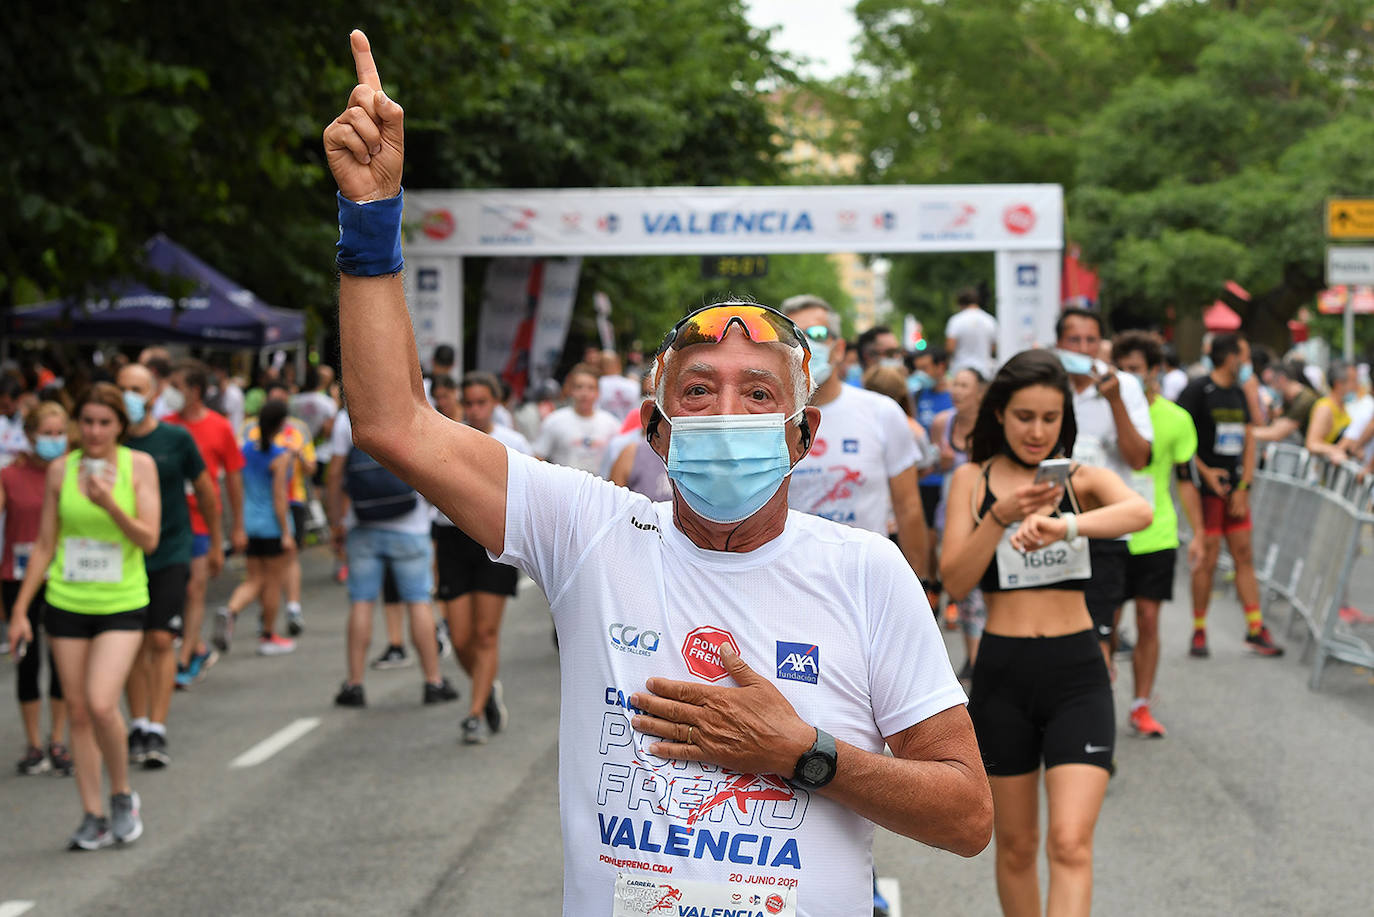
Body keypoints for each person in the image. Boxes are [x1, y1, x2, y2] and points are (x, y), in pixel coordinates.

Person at [324, 36, 992, 912]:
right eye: (700, 392)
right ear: (655, 429)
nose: (727, 414)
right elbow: (391, 422)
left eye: (759, 395)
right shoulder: (592, 532)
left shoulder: (866, 571)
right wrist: (370, 219)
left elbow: (968, 813)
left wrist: (802, 752)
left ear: (801, 436)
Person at [940, 350, 1152, 917]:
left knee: (1070, 843)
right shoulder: (971, 480)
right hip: (1002, 675)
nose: (1037, 431)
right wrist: (1000, 516)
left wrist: (1066, 524)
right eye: (1025, 416)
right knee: (1016, 846)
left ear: (1066, 420)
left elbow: (1140, 512)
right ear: (1000, 415)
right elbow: (956, 581)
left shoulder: (1079, 478)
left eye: (1050, 418)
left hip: (1078, 673)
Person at [6, 382, 159, 849]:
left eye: (103, 423)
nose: (93, 431)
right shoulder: (60, 470)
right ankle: (91, 813)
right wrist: (18, 610)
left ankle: (121, 794)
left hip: (121, 602)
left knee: (99, 703)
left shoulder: (139, 466)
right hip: (67, 600)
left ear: (120, 426)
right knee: (76, 710)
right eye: (87, 422)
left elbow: (148, 538)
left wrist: (108, 503)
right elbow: (46, 546)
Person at [783, 296, 931, 583]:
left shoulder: (882, 412)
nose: (805, 345)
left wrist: (918, 585)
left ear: (839, 348)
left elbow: (909, 508)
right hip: (792, 582)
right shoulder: (769, 420)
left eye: (817, 334)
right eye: (793, 336)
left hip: (867, 583)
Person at [118, 363, 218, 769]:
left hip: (172, 549)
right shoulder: (110, 440)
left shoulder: (176, 439)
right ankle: (138, 722)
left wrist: (216, 541)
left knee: (160, 640)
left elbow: (207, 490)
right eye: (123, 388)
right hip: (124, 558)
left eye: (136, 388)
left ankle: (157, 726)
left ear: (153, 393)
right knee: (133, 643)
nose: (129, 396)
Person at [326, 406, 454, 707]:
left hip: (363, 525)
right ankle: (433, 681)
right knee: (419, 602)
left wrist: (335, 522)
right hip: (410, 525)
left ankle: (355, 684)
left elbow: (334, 473)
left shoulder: (349, 418)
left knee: (361, 602)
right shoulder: (409, 411)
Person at [1112, 332, 1203, 738]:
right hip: (1108, 533)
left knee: (1148, 620)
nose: (1129, 377)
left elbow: (1185, 481)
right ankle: (1095, 708)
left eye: (1137, 369)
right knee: (1105, 627)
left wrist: (1198, 532)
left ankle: (1140, 705)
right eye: (1122, 369)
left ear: (1154, 371)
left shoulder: (1176, 418)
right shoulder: (1102, 413)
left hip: (1156, 531)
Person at [435, 372, 531, 743]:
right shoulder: (448, 435)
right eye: (469, 403)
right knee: (460, 638)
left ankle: (474, 714)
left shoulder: (513, 442)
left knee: (486, 633)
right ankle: (485, 686)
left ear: (495, 403)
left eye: (482, 403)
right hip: (452, 538)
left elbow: (536, 488)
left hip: (495, 539)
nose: (475, 410)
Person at [1176, 332, 1284, 657]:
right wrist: (1205, 473)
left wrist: (1244, 487)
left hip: (1235, 493)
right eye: (1245, 356)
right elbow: (1178, 441)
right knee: (1206, 561)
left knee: (1244, 556)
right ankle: (1198, 630)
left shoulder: (1239, 392)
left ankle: (1255, 628)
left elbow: (1250, 439)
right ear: (1231, 357)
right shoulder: (1196, 391)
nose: (1248, 363)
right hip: (1205, 493)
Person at [1055, 308, 1153, 661]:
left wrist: (1115, 403)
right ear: (1059, 343)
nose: (1083, 347)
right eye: (1074, 339)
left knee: (1097, 640)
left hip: (1104, 531)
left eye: (1091, 339)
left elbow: (1139, 458)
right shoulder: (1047, 384)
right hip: (1052, 528)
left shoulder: (1124, 386)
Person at [164, 360, 247, 688]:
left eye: (177, 386)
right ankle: (195, 646)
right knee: (173, 591)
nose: (170, 393)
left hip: (203, 521)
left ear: (195, 391)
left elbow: (234, 479)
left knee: (194, 587)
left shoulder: (219, 426)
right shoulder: (165, 426)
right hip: (169, 521)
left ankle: (184, 659)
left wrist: (236, 526)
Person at [2, 402, 71, 776]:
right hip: (18, 579)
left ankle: (57, 739)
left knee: (64, 662)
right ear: (29, 436)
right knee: (27, 663)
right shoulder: (9, 476)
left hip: (64, 578)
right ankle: (33, 745)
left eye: (60, 433)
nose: (54, 440)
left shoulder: (73, 473)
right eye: (47, 433)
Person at [215, 399, 298, 656]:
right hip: (272, 526)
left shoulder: (245, 451)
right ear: (281, 424)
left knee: (253, 579)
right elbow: (279, 498)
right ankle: (268, 635)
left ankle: (231, 611)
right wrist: (286, 532)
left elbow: (236, 487)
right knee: (272, 583)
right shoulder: (280, 456)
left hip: (249, 523)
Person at [245, 382, 316, 635]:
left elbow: (311, 469)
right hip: (263, 506)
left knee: (287, 558)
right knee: (264, 570)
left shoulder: (298, 430)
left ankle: (291, 608)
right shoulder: (250, 430)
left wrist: (298, 456)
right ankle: (266, 616)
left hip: (292, 500)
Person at [930, 368, 989, 672]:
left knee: (986, 591)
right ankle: (974, 658)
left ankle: (983, 660)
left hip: (986, 520)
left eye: (965, 385)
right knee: (963, 591)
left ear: (980, 391)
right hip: (949, 520)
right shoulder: (943, 424)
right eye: (955, 384)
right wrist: (939, 464)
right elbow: (929, 468)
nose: (957, 390)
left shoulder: (993, 425)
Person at [531, 363, 620, 475]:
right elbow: (537, 459)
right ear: (571, 391)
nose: (584, 393)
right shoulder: (554, 421)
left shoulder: (612, 424)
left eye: (590, 388)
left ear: (598, 392)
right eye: (579, 387)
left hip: (598, 488)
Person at [1251, 361, 1317, 445]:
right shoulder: (1288, 399)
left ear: (1282, 379)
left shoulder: (1304, 400)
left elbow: (1276, 434)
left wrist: (1245, 432)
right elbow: (1277, 424)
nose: (1268, 389)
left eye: (1269, 382)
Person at [1305, 360, 1358, 463]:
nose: (1357, 385)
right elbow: (1312, 444)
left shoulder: (1345, 406)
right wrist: (1335, 451)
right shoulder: (1324, 408)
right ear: (1339, 384)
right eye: (1353, 381)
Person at [944, 286, 997, 379]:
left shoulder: (956, 320)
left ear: (960, 304)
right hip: (984, 370)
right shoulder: (990, 320)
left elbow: (950, 347)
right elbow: (993, 347)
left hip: (960, 370)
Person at [596, 350, 641, 422]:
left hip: (607, 429)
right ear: (619, 365)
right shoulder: (633, 384)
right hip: (631, 429)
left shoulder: (596, 386)